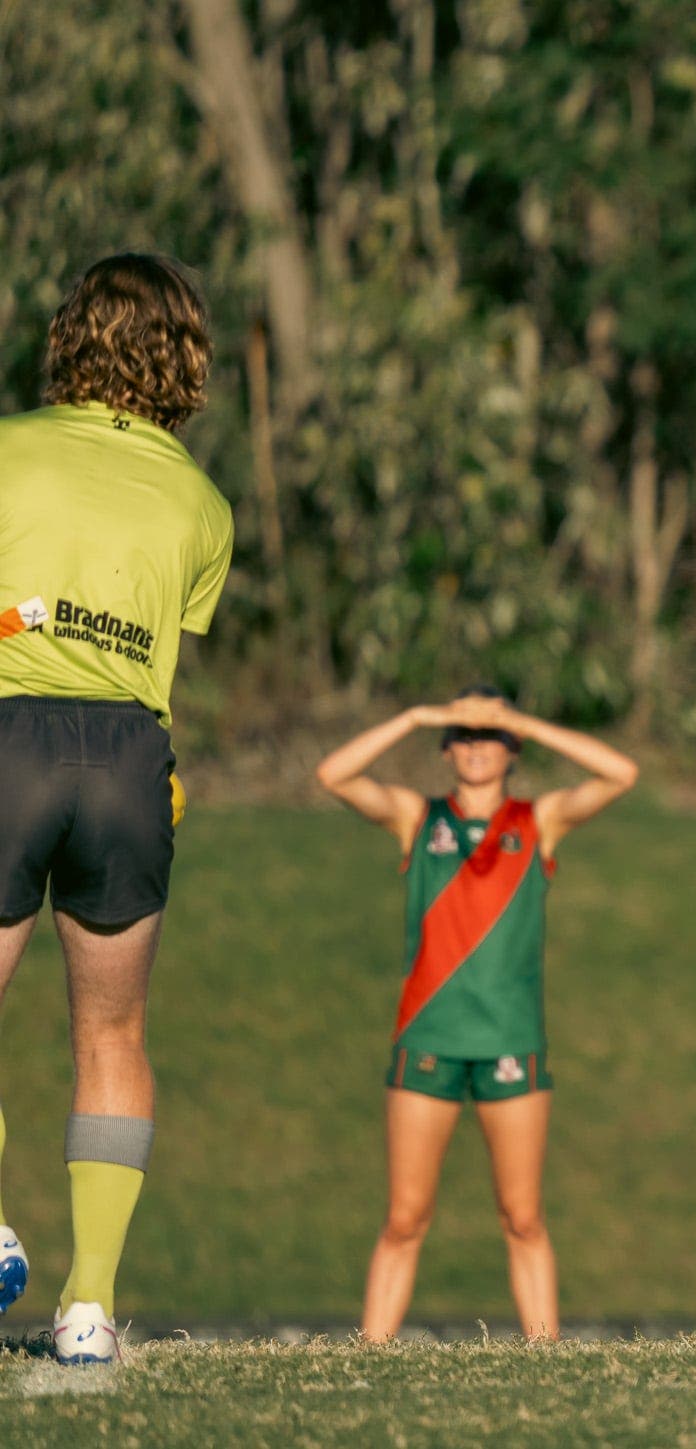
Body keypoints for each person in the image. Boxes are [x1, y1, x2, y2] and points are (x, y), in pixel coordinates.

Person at [0, 253, 235, 1365]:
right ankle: (88, 1306)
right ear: (185, 356)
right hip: (129, 761)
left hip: (9, 738)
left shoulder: (8, 449)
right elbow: (159, 644)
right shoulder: (203, 502)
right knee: (111, 1030)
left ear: (70, 338)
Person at [314, 688, 637, 1341]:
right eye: (463, 733)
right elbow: (333, 775)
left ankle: (544, 1359)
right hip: (428, 1040)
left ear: (512, 747)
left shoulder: (536, 820)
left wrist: (520, 719)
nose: (476, 746)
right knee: (405, 1217)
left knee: (522, 1216)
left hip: (510, 1042)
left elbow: (620, 773)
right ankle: (368, 1358)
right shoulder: (417, 817)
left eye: (490, 735)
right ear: (445, 745)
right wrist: (413, 715)